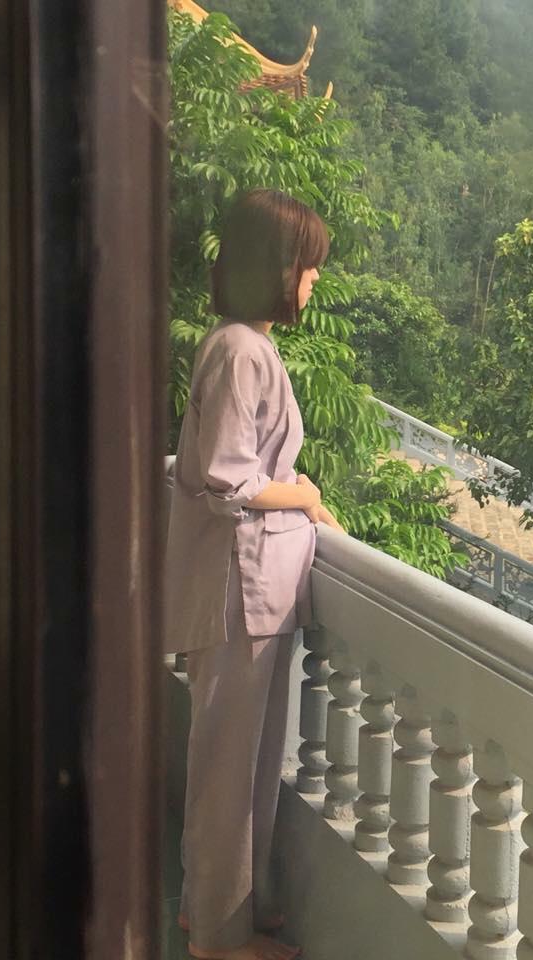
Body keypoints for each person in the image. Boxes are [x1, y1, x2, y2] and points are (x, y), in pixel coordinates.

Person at [164, 189, 344, 960]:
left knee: (243, 765)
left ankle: (211, 912)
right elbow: (228, 478)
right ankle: (216, 940)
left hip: (255, 592)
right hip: (241, 593)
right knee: (229, 775)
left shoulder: (242, 345)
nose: (314, 279)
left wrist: (304, 499)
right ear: (277, 268)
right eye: (307, 264)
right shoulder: (242, 351)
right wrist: (303, 495)